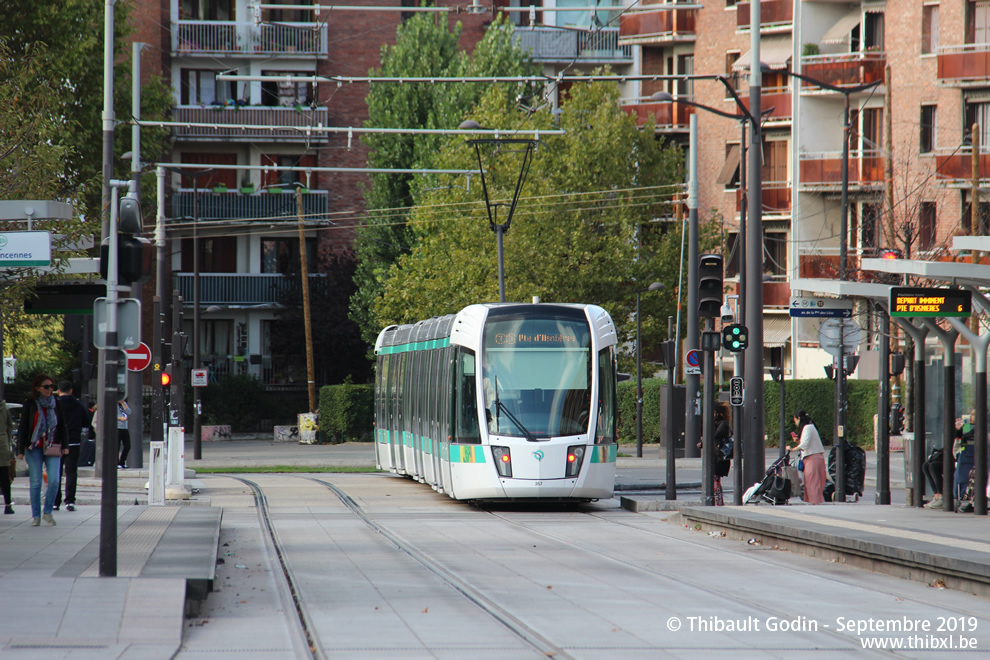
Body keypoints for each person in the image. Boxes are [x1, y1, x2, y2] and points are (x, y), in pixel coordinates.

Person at [16, 374, 68, 526]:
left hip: (53, 446)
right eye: (46, 387)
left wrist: (65, 446)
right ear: (37, 388)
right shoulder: (31, 404)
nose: (49, 389)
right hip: (34, 447)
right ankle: (36, 515)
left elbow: (62, 425)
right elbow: (23, 427)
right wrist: (20, 449)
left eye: (52, 387)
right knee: (36, 482)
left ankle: (48, 512)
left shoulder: (56, 403)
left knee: (54, 480)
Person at [54, 381, 89, 512]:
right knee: (71, 472)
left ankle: (55, 501)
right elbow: (86, 421)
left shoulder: (55, 404)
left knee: (56, 472)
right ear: (71, 391)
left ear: (58, 391)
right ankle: (70, 501)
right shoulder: (78, 405)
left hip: (57, 443)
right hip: (73, 441)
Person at [787, 409, 826, 505]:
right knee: (813, 482)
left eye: (795, 420)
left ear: (799, 418)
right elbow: (806, 443)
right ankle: (814, 502)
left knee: (812, 482)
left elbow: (804, 444)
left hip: (812, 458)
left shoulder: (808, 428)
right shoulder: (810, 427)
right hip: (814, 457)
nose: (795, 423)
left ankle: (814, 503)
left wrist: (791, 449)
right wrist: (798, 441)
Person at [0, 400, 15, 514]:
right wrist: (7, 439)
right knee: (4, 474)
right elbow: (10, 425)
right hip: (2, 443)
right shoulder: (3, 407)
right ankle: (8, 505)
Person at [117, 398, 131, 469]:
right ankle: (116, 462)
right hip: (117, 427)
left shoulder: (123, 404)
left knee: (127, 445)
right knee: (117, 446)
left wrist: (123, 403)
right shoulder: (113, 404)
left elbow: (129, 412)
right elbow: (110, 415)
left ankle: (122, 461)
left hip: (125, 427)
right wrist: (120, 418)